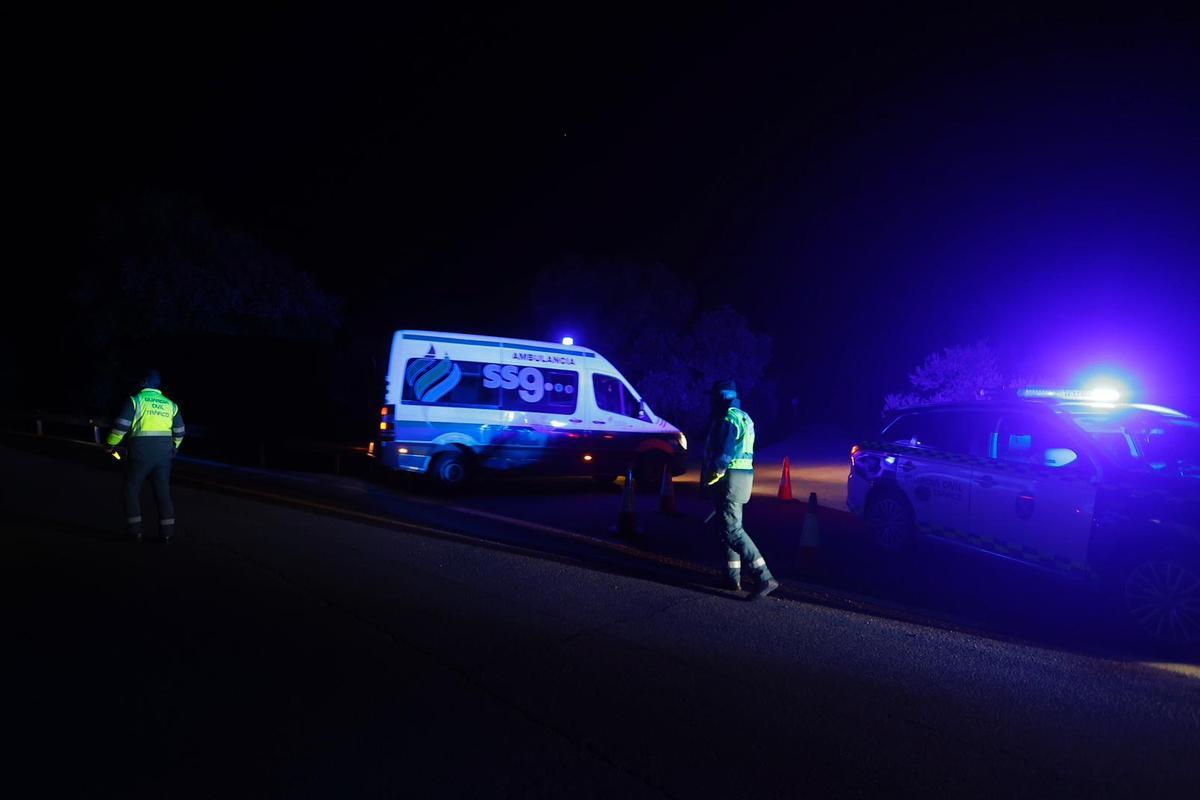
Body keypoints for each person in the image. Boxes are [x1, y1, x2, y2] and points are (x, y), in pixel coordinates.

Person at [702, 379, 779, 599]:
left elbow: (725, 452)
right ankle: (732, 577)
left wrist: (714, 476)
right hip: (742, 477)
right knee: (727, 529)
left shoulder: (727, 418)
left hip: (729, 478)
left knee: (732, 530)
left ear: (720, 397)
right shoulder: (744, 417)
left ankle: (764, 577)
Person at [105, 370, 185, 542]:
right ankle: (167, 534)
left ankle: (135, 532)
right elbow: (180, 431)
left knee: (131, 489)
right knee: (163, 492)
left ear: (143, 383)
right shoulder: (171, 404)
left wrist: (111, 445)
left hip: (140, 453)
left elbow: (121, 427)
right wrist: (174, 448)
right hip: (164, 455)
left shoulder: (135, 401)